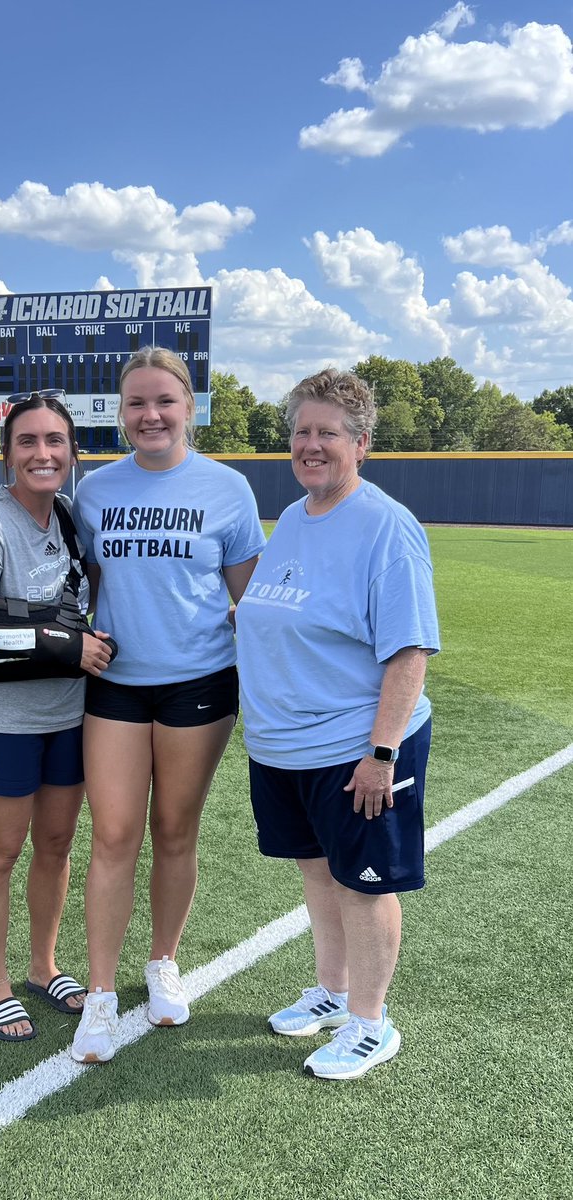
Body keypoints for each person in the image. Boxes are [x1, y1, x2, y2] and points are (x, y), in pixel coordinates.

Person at [236, 367, 440, 1080]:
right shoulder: (295, 517)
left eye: (328, 432)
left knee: (363, 882)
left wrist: (382, 754)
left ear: (362, 442)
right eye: (301, 432)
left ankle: (371, 1023)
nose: (311, 445)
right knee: (319, 873)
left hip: (356, 744)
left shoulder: (386, 526)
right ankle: (332, 992)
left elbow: (409, 650)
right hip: (285, 745)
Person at [69, 346, 266, 1064]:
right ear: (120, 413)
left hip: (201, 683)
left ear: (189, 407)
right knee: (114, 835)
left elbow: (255, 602)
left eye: (164, 401)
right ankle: (100, 994)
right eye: (136, 403)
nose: (150, 415)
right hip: (116, 684)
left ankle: (162, 962)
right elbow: (84, 590)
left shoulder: (228, 489)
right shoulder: (94, 491)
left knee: (176, 831)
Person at [0, 391, 114, 1042]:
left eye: (55, 441)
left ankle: (43, 966)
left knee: (56, 845)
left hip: (68, 716)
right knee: (0, 853)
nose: (42, 453)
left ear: (72, 452)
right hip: (0, 721)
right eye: (28, 441)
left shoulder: (71, 518)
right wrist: (64, 645)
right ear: (7, 453)